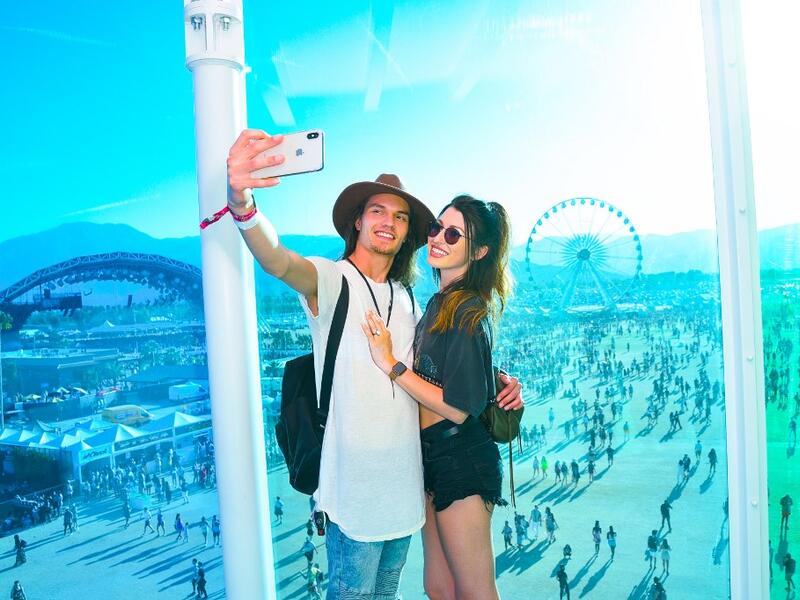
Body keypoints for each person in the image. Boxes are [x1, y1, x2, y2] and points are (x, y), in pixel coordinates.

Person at [225, 130, 523, 599]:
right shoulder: (331, 279)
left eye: (402, 216)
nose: (390, 221)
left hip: (407, 492)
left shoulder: (407, 297)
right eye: (378, 211)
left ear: (406, 232)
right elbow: (279, 261)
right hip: (355, 497)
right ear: (358, 223)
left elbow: (443, 368)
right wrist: (241, 203)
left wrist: (497, 382)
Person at [362, 194, 520, 600]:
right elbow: (460, 374)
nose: (438, 238)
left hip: (461, 460)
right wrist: (498, 379)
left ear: (479, 251)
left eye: (453, 234)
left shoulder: (465, 308)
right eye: (435, 227)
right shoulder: (441, 303)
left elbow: (459, 408)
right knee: (439, 586)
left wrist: (391, 363)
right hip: (434, 457)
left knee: (474, 592)